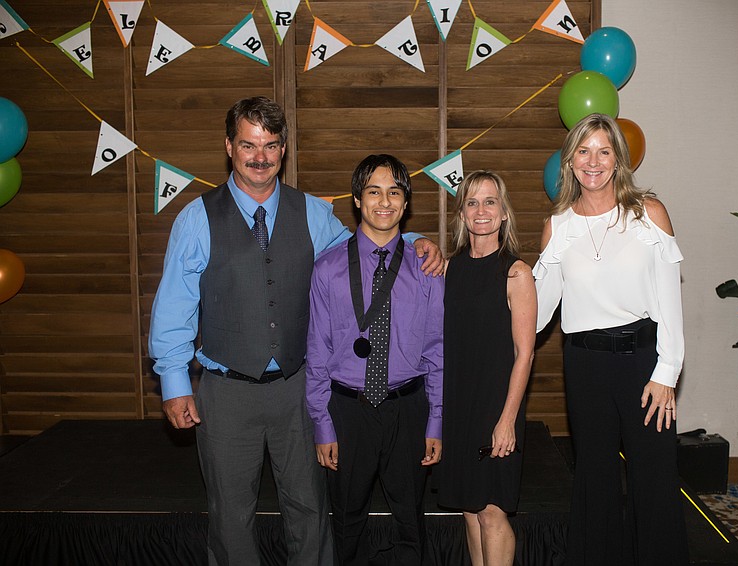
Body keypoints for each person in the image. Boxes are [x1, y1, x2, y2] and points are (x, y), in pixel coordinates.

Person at [148, 97, 443, 566]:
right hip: (225, 394)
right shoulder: (196, 218)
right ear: (229, 147)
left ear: (283, 150)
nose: (259, 156)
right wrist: (174, 381)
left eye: (269, 145)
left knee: (310, 509)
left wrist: (413, 240)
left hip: (297, 389)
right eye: (248, 144)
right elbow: (174, 307)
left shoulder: (312, 212)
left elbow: (362, 248)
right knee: (230, 517)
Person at [533, 113, 688, 565]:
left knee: (654, 478)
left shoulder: (648, 214)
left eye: (604, 150)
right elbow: (539, 315)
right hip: (585, 366)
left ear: (619, 159)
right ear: (570, 161)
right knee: (595, 479)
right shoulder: (558, 226)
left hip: (645, 361)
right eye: (583, 151)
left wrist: (668, 372)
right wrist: (528, 269)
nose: (594, 161)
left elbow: (669, 304)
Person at [305, 154, 444, 566]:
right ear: (357, 199)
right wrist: (321, 423)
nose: (384, 202)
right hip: (347, 410)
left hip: (409, 408)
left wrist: (435, 419)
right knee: (346, 521)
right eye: (373, 191)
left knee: (410, 522)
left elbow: (437, 349)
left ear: (406, 203)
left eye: (394, 192)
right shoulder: (327, 269)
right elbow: (317, 351)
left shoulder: (427, 268)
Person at [437, 171, 536, 566]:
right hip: (460, 406)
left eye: (490, 202)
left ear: (504, 213)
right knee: (470, 508)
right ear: (461, 213)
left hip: (498, 406)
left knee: (493, 511)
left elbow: (525, 354)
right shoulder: (450, 271)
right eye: (473, 202)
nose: (481, 210)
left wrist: (507, 419)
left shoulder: (516, 273)